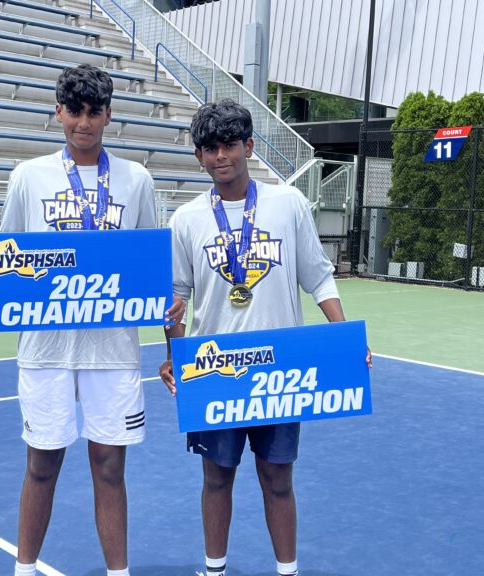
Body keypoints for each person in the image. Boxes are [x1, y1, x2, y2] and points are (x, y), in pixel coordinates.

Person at [0, 64, 184, 576]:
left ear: (109, 115)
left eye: (94, 112)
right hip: (46, 348)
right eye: (74, 111)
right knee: (42, 464)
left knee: (110, 468)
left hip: (114, 350)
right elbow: (2, 258)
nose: (84, 122)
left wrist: (172, 342)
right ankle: (24, 569)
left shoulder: (136, 180)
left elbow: (152, 271)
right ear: (58, 111)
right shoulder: (28, 177)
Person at [159, 99, 372, 576]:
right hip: (215, 370)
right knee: (217, 478)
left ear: (249, 146)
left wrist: (345, 339)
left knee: (277, 478)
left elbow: (318, 277)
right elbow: (175, 297)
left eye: (230, 145)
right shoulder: (186, 219)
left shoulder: (287, 204)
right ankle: (214, 570)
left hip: (280, 367)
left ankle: (287, 571)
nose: (221, 156)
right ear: (198, 156)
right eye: (210, 148)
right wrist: (174, 354)